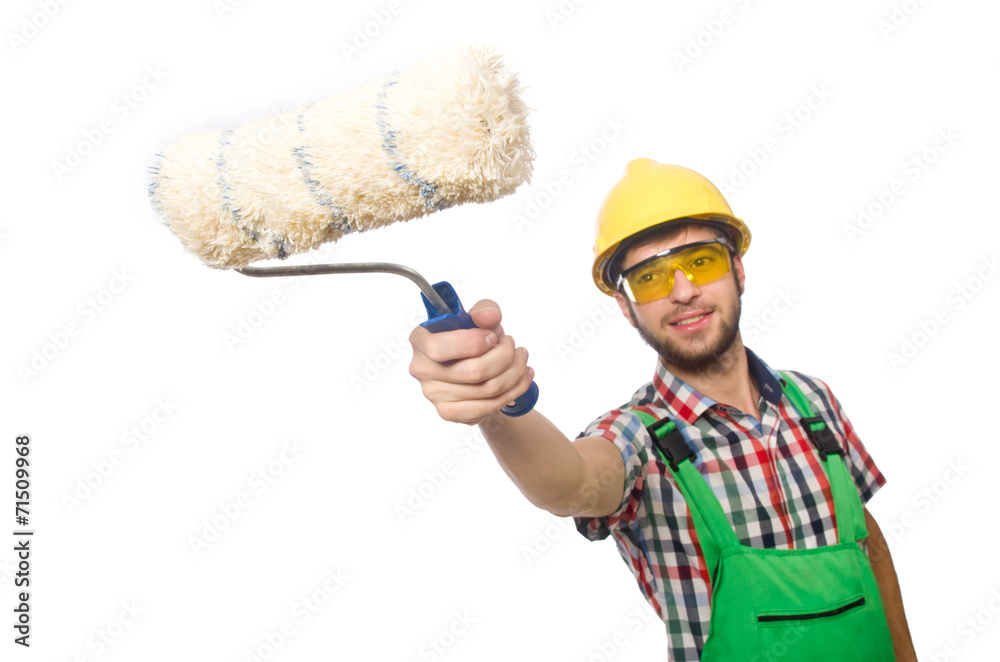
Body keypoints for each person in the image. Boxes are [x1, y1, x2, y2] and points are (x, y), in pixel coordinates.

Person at [408, 159, 917, 661]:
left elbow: (866, 543)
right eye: (650, 277)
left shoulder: (814, 400)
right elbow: (572, 483)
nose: (683, 291)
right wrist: (496, 407)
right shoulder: (639, 437)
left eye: (702, 262)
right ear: (626, 307)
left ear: (738, 269)